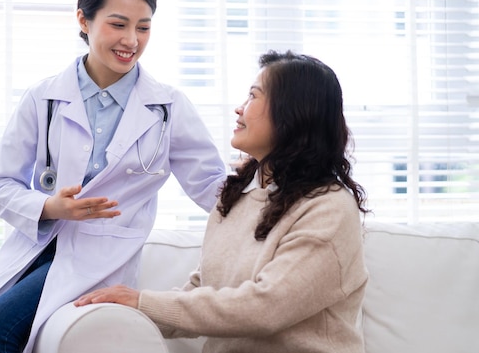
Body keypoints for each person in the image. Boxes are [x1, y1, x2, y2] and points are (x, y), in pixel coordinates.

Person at [0, 0, 226, 353]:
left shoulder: (168, 108)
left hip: (101, 257)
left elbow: (213, 188)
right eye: (118, 24)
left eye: (143, 27)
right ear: (84, 20)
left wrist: (279, 191)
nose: (132, 39)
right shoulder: (43, 99)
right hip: (37, 247)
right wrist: (50, 205)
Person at [75, 50, 370, 353]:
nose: (239, 109)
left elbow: (266, 307)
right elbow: (203, 293)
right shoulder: (236, 196)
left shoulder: (328, 208)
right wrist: (120, 308)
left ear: (293, 113)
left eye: (253, 97)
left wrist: (141, 301)